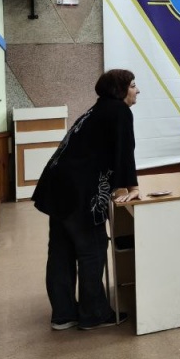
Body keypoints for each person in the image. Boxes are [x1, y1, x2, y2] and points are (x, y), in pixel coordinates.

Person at [32, 69, 139, 330]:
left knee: (61, 250)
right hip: (80, 192)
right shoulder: (119, 111)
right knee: (91, 248)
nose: (137, 90)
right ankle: (94, 314)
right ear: (120, 89)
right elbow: (124, 150)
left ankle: (64, 314)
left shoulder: (97, 110)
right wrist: (131, 186)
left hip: (57, 187)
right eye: (133, 85)